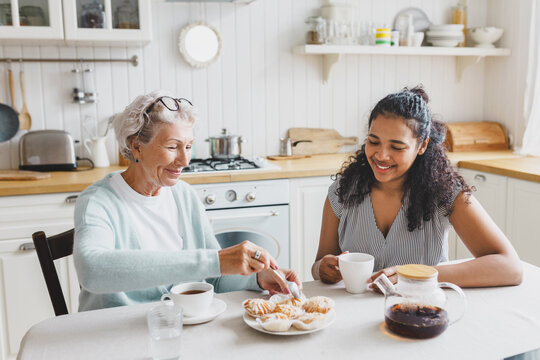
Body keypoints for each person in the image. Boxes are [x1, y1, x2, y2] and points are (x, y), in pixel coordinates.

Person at [74, 90, 299, 311]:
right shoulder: (98, 202)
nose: (184, 160)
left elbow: (214, 280)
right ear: (136, 146)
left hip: (173, 329)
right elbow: (92, 271)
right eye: (172, 147)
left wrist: (257, 278)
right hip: (112, 335)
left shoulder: (183, 195)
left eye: (189, 146)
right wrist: (217, 260)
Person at [311, 86, 523, 288]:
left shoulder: (445, 193)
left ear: (422, 145)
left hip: (421, 313)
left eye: (396, 147)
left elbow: (510, 267)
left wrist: (415, 275)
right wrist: (323, 268)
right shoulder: (344, 190)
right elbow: (319, 263)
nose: (381, 155)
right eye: (373, 141)